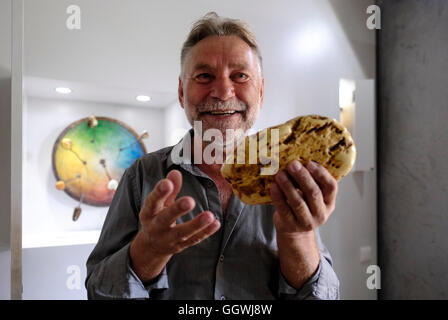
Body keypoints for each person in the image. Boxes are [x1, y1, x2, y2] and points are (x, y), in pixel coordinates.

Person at [85, 12, 339, 300]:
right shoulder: (142, 176)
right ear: (182, 92)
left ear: (261, 91)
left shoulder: (289, 179)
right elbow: (99, 291)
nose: (222, 91)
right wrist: (149, 249)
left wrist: (297, 237)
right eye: (205, 76)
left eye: (240, 76)